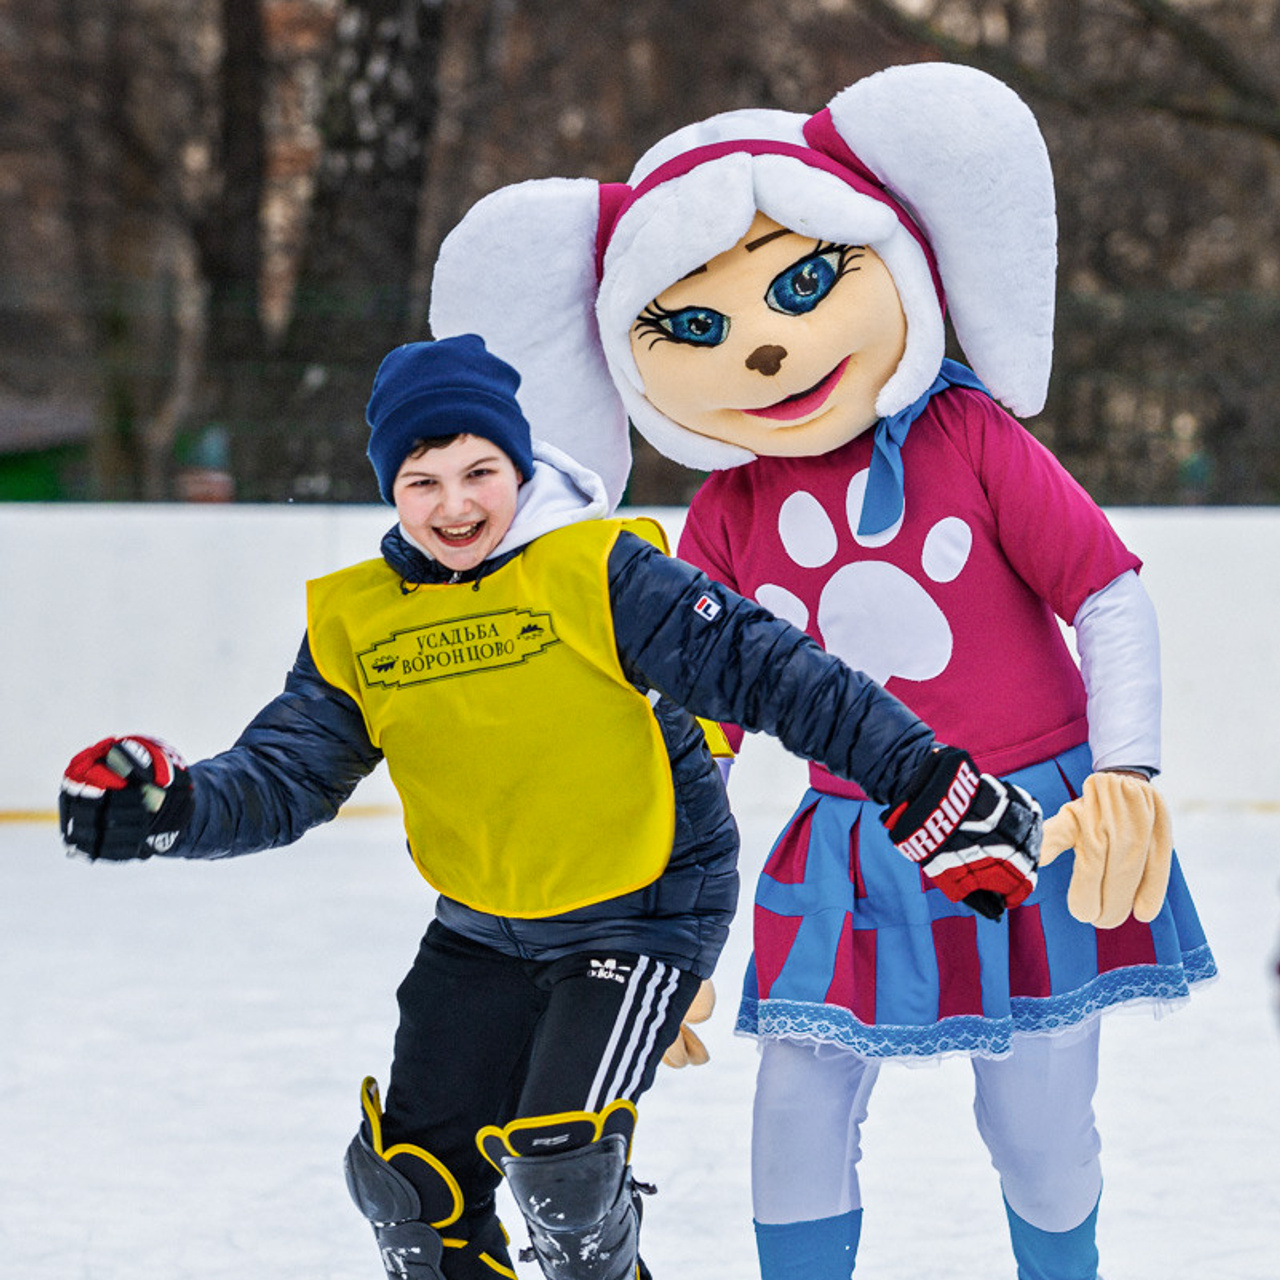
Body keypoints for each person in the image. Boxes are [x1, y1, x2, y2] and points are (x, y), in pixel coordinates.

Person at [425, 63, 1217, 1280]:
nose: (764, 351)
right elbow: (687, 741)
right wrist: (650, 926)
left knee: (1040, 1140)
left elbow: (1104, 592)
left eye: (802, 284)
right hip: (848, 847)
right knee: (791, 1121)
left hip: (1031, 825)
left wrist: (1125, 771)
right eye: (693, 327)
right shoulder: (723, 520)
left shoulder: (969, 438)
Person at [58, 334, 1041, 1280]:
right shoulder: (359, 620)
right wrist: (172, 805)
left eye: (478, 471)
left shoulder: (601, 572)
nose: (453, 505)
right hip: (482, 927)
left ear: (519, 467)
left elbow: (777, 673)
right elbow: (283, 773)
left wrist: (921, 781)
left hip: (642, 903)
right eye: (421, 481)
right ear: (390, 491)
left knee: (562, 1164)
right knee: (409, 1188)